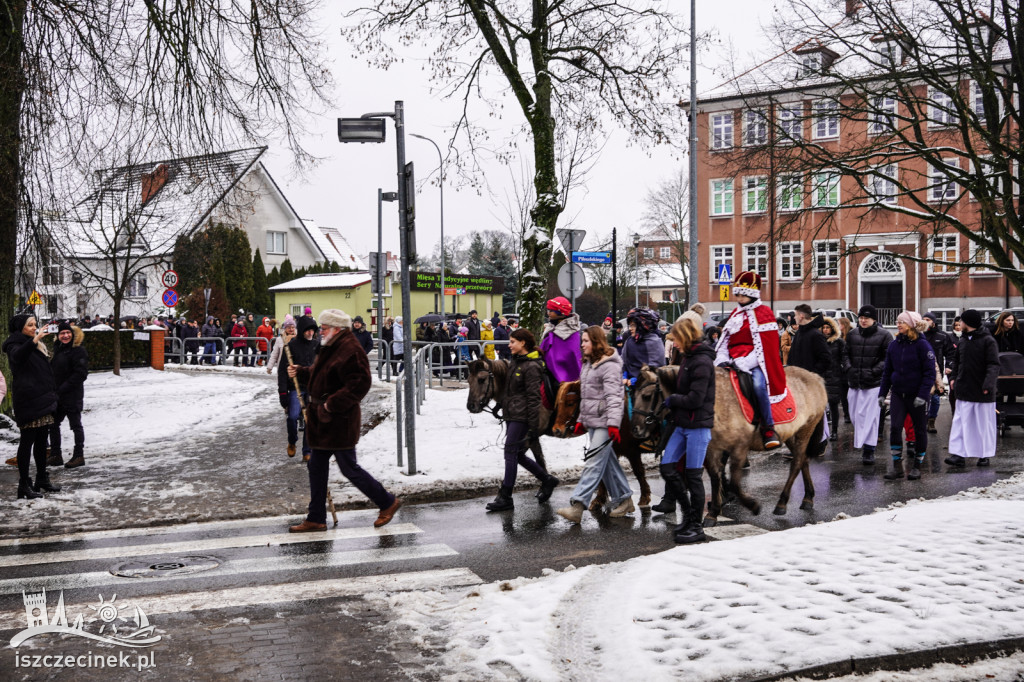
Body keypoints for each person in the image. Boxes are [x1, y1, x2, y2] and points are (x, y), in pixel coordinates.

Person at [287, 309, 401, 532]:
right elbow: (322, 374)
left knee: (349, 468)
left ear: (336, 329)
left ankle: (387, 502)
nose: (321, 332)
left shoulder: (350, 349)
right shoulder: (332, 346)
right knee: (316, 466)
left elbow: (360, 383)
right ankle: (317, 517)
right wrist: (301, 371)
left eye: (324, 328)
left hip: (339, 420)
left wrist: (332, 404)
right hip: (323, 420)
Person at [555, 326, 632, 523]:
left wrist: (614, 425)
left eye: (586, 341)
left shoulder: (610, 365)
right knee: (607, 464)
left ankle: (577, 506)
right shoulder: (588, 363)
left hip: (606, 422)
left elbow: (614, 397)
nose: (582, 344)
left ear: (597, 342)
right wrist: (581, 420)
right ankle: (625, 499)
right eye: (582, 341)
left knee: (594, 462)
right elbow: (587, 397)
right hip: (593, 421)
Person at [486, 328, 559, 512]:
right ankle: (547, 479)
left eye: (512, 342)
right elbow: (511, 392)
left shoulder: (533, 366)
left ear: (523, 343)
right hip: (512, 413)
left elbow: (534, 398)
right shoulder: (515, 362)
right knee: (517, 454)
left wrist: (533, 427)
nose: (509, 345)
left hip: (522, 416)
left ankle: (506, 496)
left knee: (510, 452)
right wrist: (500, 405)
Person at [714, 271, 786, 449]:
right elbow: (724, 343)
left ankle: (768, 428)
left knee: (758, 386)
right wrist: (722, 360)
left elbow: (766, 348)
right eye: (736, 294)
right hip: (731, 361)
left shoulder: (765, 313)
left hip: (754, 363)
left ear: (751, 294)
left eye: (740, 294)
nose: (737, 297)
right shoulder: (735, 314)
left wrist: (744, 363)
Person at [659, 317, 714, 544]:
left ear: (686, 338)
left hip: (698, 426)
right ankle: (689, 516)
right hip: (683, 424)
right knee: (667, 467)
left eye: (677, 340)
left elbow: (696, 398)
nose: (675, 344)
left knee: (693, 478)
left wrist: (672, 399)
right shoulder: (689, 358)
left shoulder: (701, 361)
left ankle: (696, 527)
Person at [4, 313, 59, 499]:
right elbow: (18, 357)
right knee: (27, 442)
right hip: (29, 401)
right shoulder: (15, 344)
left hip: (43, 399)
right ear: (21, 328)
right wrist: (34, 340)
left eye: (35, 324)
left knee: (43, 442)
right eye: (30, 325)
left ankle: (41, 478)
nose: (34, 327)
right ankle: (24, 485)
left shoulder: (35, 344)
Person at [878, 311, 936, 481]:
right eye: (898, 322)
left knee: (919, 430)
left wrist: (923, 395)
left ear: (912, 324)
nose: (898, 324)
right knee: (895, 427)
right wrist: (883, 393)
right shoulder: (894, 345)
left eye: (902, 322)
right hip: (898, 393)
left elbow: (929, 373)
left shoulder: (923, 345)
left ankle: (917, 466)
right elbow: (887, 371)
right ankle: (897, 467)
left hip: (917, 395)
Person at [945, 309, 999, 468]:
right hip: (964, 389)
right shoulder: (963, 341)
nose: (959, 324)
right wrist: (953, 378)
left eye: (961, 321)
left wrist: (988, 384)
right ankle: (958, 455)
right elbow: (957, 362)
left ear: (968, 323)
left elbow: (993, 364)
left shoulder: (988, 341)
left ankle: (984, 455)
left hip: (982, 391)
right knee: (961, 424)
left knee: (983, 425)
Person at [845, 305, 893, 464]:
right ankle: (862, 442)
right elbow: (845, 354)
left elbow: (888, 359)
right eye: (861, 317)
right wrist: (849, 368)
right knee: (855, 416)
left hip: (873, 384)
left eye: (867, 318)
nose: (863, 320)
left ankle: (869, 450)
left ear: (874, 319)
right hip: (854, 382)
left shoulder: (885, 336)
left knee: (870, 417)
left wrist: (873, 371)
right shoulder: (852, 334)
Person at [46, 322, 88, 469]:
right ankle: (56, 454)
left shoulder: (78, 351)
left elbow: (81, 374)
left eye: (67, 333)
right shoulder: (58, 350)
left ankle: (78, 455)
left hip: (73, 395)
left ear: (72, 334)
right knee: (53, 424)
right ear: (58, 336)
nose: (65, 336)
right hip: (58, 396)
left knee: (75, 425)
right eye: (62, 333)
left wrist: (63, 388)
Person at [279, 315, 318, 460]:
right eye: (307, 330)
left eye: (312, 331)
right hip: (296, 388)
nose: (310, 333)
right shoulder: (291, 347)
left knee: (309, 419)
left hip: (312, 388)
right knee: (293, 417)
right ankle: (292, 441)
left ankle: (307, 450)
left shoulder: (316, 345)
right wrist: (283, 393)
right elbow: (282, 371)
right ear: (301, 330)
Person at [921, 313, 953, 433]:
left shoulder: (942, 336)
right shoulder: (918, 334)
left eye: (927, 320)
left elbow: (951, 352)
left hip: (936, 372)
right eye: (923, 319)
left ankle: (931, 420)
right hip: (920, 371)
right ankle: (921, 420)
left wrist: (949, 365)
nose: (925, 321)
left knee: (935, 397)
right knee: (922, 397)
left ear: (933, 322)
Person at [540, 296, 582, 383]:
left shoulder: (572, 333)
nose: (548, 313)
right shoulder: (551, 328)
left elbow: (572, 357)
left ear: (561, 313)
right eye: (548, 310)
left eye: (551, 311)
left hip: (564, 381)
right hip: (548, 376)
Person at [620, 307, 664, 385]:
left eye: (633, 325)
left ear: (642, 325)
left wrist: (638, 379)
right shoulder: (629, 341)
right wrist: (624, 375)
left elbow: (656, 368)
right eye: (630, 325)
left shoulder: (655, 342)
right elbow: (623, 361)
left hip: (649, 389)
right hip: (628, 387)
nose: (630, 328)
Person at [821, 317, 847, 441]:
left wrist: (843, 371)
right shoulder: (819, 342)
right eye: (824, 327)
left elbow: (844, 358)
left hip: (835, 377)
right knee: (820, 406)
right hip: (821, 376)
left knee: (833, 405)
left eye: (828, 327)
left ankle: (834, 431)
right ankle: (821, 433)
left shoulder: (839, 342)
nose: (825, 330)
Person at [786, 305, 830, 378]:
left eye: (795, 315)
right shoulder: (798, 333)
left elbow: (825, 359)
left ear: (801, 316)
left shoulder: (816, 335)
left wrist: (812, 375)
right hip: (797, 380)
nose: (794, 317)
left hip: (810, 382)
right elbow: (791, 356)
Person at [837, 317, 854, 423]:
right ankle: (846, 414)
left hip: (849, 369)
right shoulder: (839, 336)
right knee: (843, 395)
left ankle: (851, 414)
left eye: (839, 324)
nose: (838, 326)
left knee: (850, 394)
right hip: (841, 370)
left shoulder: (851, 335)